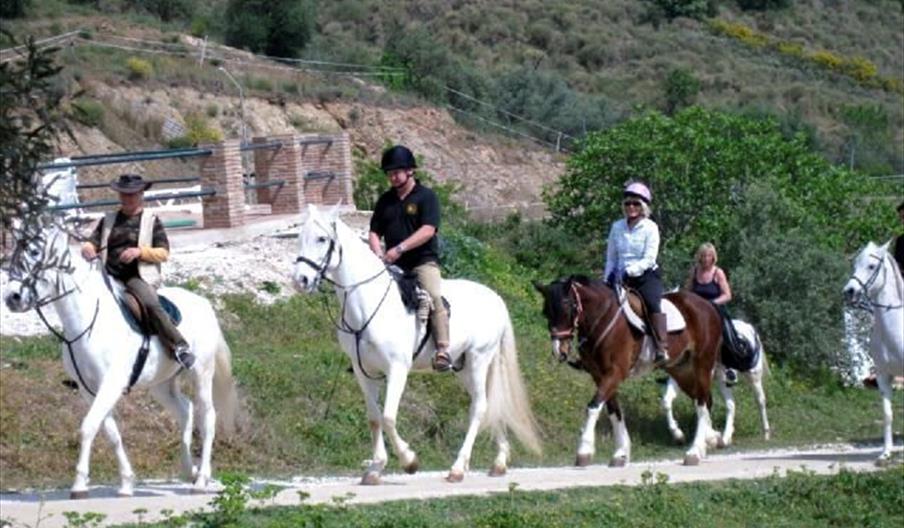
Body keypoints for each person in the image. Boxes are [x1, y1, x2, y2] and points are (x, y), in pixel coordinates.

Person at [81, 174, 195, 369]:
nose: (127, 199)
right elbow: (91, 243)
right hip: (107, 274)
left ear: (141, 194)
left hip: (135, 276)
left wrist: (140, 252)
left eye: (132, 195)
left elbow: (163, 252)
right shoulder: (108, 219)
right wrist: (88, 249)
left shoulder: (151, 220)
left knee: (150, 303)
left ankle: (179, 345)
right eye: (124, 195)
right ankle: (81, 359)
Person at [368, 145, 451, 372]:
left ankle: (443, 349)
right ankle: (370, 349)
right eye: (390, 173)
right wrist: (377, 253)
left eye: (397, 172)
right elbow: (374, 231)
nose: (393, 177)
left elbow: (428, 230)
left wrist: (400, 248)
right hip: (393, 264)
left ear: (410, 171)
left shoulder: (426, 197)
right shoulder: (385, 201)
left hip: (422, 261)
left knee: (434, 296)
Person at [603, 181, 668, 366]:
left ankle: (661, 347)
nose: (631, 207)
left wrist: (628, 272)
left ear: (643, 207)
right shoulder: (617, 227)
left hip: (645, 277)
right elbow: (611, 257)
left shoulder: (651, 228)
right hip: (618, 277)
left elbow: (649, 259)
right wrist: (607, 277)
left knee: (652, 303)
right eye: (628, 203)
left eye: (636, 203)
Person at [685, 242, 739, 384]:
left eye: (709, 256)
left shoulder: (718, 273)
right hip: (695, 311)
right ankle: (676, 367)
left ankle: (730, 367)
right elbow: (687, 291)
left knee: (726, 332)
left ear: (713, 257)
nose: (706, 259)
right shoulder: (694, 271)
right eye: (703, 256)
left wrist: (711, 304)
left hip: (714, 309)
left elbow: (727, 295)